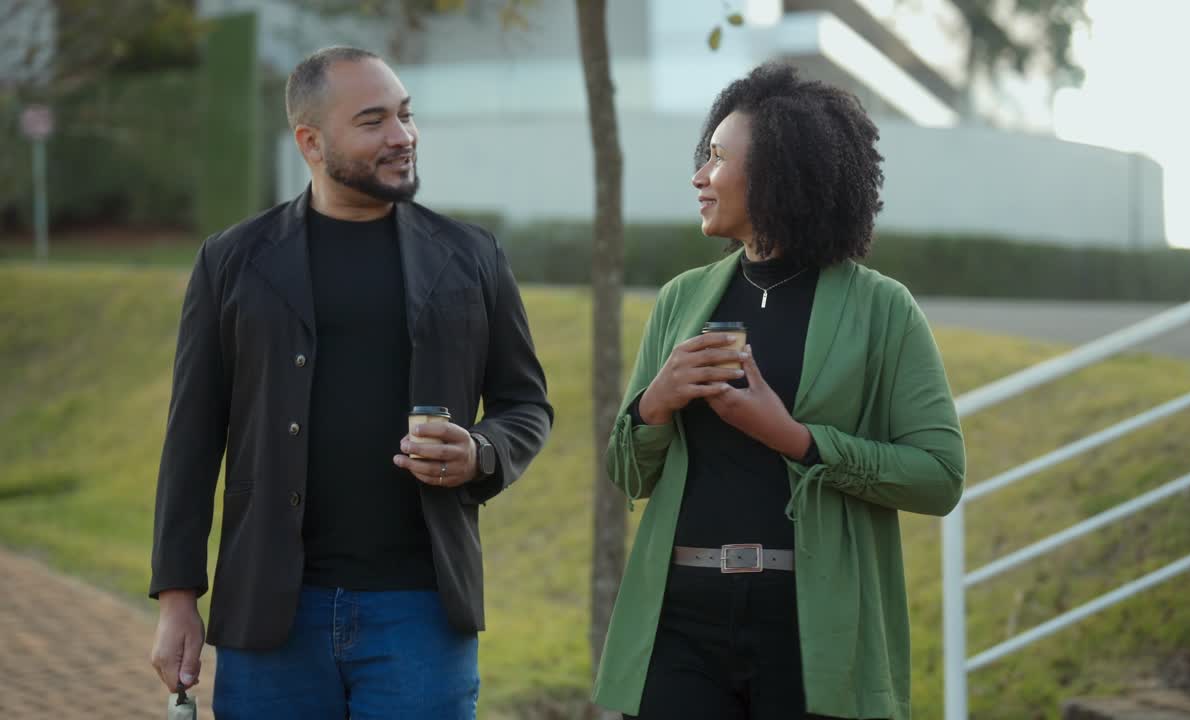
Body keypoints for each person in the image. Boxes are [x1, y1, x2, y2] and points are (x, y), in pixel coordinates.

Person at [148, 46, 552, 719]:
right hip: (270, 614)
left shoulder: (472, 256)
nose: (402, 136)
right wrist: (177, 599)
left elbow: (525, 405)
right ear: (311, 141)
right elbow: (191, 439)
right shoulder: (232, 262)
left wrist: (481, 452)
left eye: (405, 114)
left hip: (422, 611)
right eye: (374, 121)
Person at [591, 63, 965, 719]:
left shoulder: (883, 311)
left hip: (813, 625)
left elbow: (938, 476)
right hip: (680, 620)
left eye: (716, 160)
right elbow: (628, 473)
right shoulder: (682, 300)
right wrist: (656, 402)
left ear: (776, 176)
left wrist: (793, 438)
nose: (698, 179)